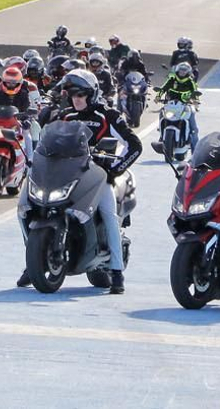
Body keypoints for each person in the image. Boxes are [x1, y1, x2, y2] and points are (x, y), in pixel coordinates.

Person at [17, 70, 139, 295]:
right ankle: (32, 260)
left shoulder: (108, 116)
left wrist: (114, 169)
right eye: (72, 94)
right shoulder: (64, 116)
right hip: (64, 175)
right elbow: (44, 140)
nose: (76, 99)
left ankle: (117, 270)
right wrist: (28, 126)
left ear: (92, 94)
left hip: (96, 176)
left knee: (110, 216)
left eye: (81, 94)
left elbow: (135, 145)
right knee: (25, 207)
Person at [153, 62, 202, 149]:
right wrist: (158, 97)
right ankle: (161, 135)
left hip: (186, 105)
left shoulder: (190, 82)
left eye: (184, 71)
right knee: (162, 113)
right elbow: (163, 88)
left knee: (194, 128)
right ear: (177, 71)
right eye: (181, 71)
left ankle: (195, 151)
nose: (182, 73)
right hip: (171, 104)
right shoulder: (172, 80)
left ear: (188, 72)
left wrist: (196, 101)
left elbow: (195, 91)